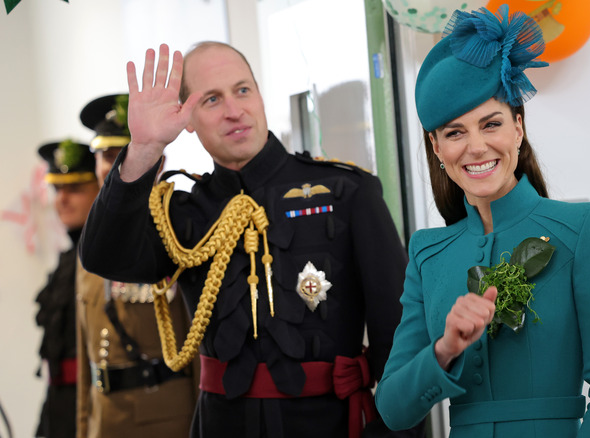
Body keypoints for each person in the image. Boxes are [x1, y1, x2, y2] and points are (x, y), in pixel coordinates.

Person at [79, 42, 424, 438]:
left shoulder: (345, 192)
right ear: (187, 120)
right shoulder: (182, 214)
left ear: (260, 96)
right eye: (211, 99)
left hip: (330, 425)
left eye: (242, 90)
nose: (233, 110)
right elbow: (103, 257)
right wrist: (143, 150)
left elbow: (400, 341)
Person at [375, 5, 590, 438]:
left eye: (490, 124)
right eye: (455, 133)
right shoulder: (427, 253)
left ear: (517, 128)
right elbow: (392, 409)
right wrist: (445, 348)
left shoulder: (585, 227)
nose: (475, 147)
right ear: (436, 148)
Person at [75, 93, 198, 438]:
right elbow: (87, 360)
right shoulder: (92, 237)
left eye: (122, 155)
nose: (111, 167)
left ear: (157, 162)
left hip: (167, 420)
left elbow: (197, 340)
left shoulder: (174, 231)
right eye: (106, 156)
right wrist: (84, 427)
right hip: (106, 421)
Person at [35, 139, 100, 438]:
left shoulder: (108, 260)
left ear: (100, 189)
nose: (62, 199)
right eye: (57, 189)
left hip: (94, 402)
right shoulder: (65, 259)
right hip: (58, 404)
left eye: (74, 189)